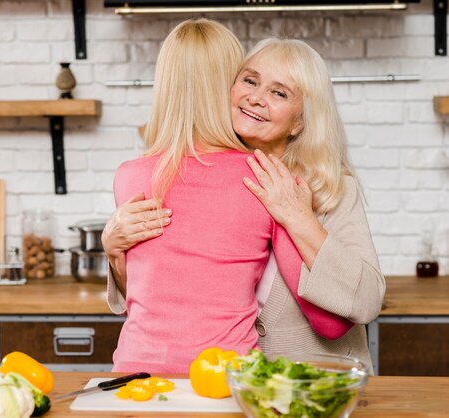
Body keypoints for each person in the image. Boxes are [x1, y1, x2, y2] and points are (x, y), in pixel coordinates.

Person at [104, 37, 385, 369]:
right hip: (234, 386)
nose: (256, 97)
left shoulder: (332, 189)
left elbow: (366, 302)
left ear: (299, 122)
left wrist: (298, 218)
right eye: (250, 80)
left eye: (279, 93)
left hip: (316, 381)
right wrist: (113, 250)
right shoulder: (202, 180)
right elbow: (155, 295)